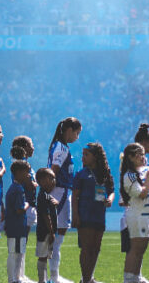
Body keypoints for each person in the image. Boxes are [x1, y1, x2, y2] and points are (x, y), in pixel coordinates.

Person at [72, 143, 114, 283]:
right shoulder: (81, 174)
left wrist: (110, 199)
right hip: (85, 215)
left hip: (99, 215)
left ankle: (89, 278)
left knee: (96, 248)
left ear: (95, 157)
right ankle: (85, 279)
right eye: (83, 154)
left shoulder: (105, 173)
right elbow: (75, 196)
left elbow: (112, 191)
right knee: (86, 248)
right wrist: (75, 215)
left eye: (86, 155)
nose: (83, 157)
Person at [47, 117, 82, 283]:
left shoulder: (60, 146)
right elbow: (53, 171)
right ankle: (53, 277)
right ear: (69, 130)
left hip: (61, 191)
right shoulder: (61, 148)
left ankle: (53, 275)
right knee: (57, 236)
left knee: (57, 236)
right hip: (59, 192)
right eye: (77, 133)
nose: (78, 136)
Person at [120, 143, 149, 283]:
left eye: (143, 154)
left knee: (141, 250)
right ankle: (129, 279)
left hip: (147, 215)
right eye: (138, 154)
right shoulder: (129, 175)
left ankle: (136, 277)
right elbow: (142, 194)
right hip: (137, 216)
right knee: (135, 250)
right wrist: (148, 178)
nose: (142, 157)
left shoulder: (143, 171)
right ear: (130, 157)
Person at [10, 136, 37, 283]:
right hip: (23, 206)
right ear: (25, 147)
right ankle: (15, 277)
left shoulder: (25, 164)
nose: (33, 148)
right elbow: (28, 184)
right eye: (31, 145)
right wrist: (33, 183)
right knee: (19, 242)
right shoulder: (19, 165)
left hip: (29, 206)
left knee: (23, 242)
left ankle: (20, 274)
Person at [5, 160, 31, 283]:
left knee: (18, 253)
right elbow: (19, 210)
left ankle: (16, 278)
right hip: (16, 227)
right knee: (15, 253)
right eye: (27, 172)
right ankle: (13, 279)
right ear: (19, 173)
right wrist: (27, 205)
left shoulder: (14, 187)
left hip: (15, 226)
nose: (29, 175)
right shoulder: (18, 189)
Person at [35, 168, 58, 283]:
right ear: (42, 181)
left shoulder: (47, 196)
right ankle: (41, 280)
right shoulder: (43, 196)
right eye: (51, 178)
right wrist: (51, 232)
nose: (54, 181)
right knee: (43, 256)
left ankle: (44, 279)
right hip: (44, 232)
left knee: (46, 256)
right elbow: (46, 215)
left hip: (47, 232)